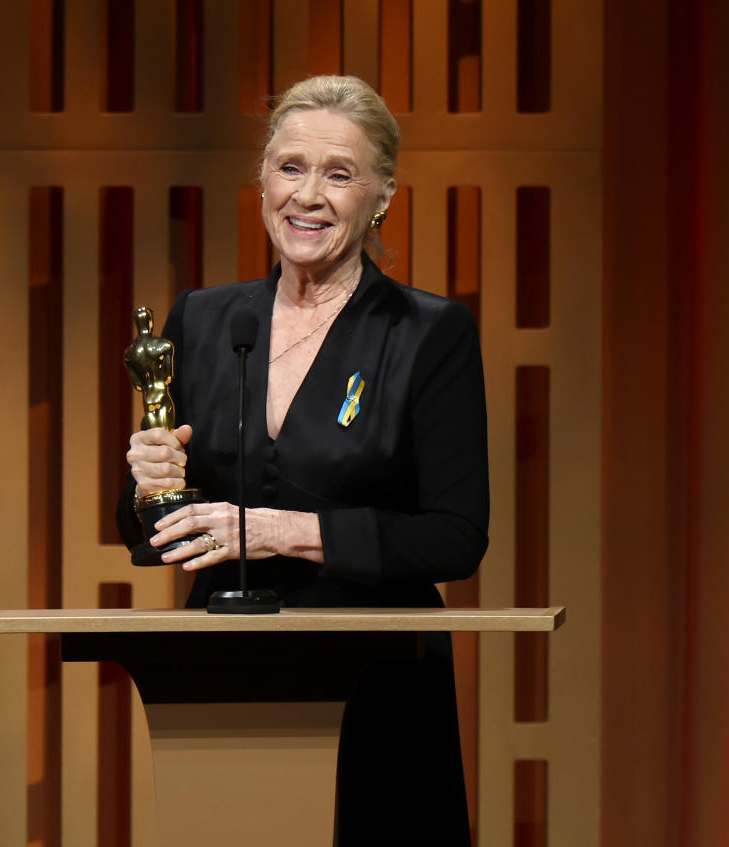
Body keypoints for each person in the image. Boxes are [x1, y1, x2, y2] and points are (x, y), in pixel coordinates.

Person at [117, 74, 488, 845]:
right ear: (261, 184)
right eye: (290, 167)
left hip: (377, 683)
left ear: (381, 194)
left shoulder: (428, 333)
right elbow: (147, 532)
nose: (308, 195)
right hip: (225, 680)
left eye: (339, 173)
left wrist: (284, 531)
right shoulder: (205, 317)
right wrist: (147, 481)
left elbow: (456, 535)